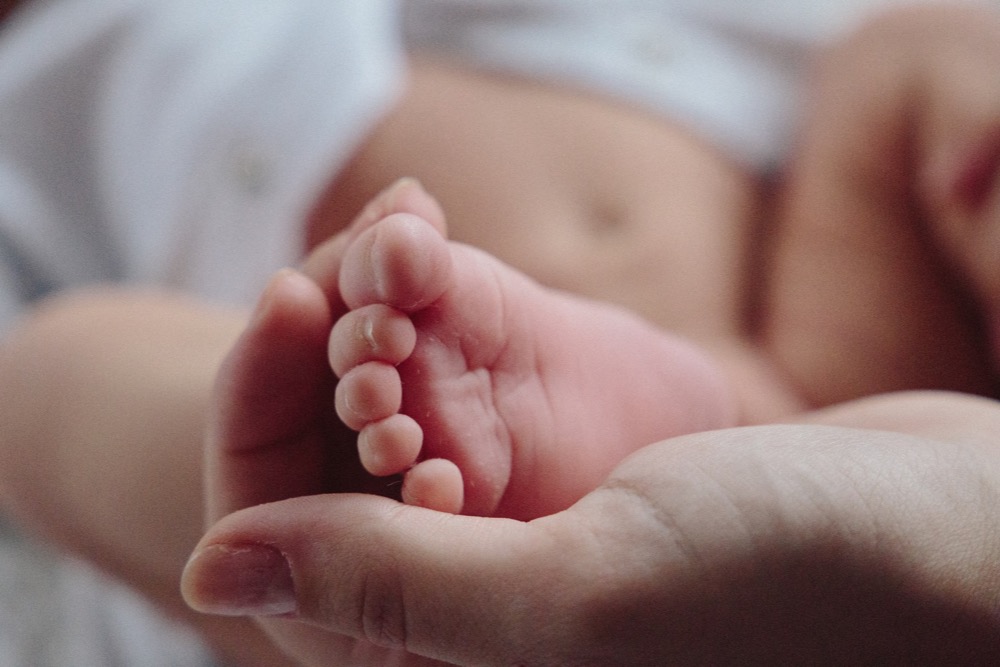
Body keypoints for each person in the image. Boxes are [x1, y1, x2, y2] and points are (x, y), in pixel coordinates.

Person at [0, 0, 997, 665]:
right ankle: (361, 525)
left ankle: (341, 513)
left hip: (835, 409)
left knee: (45, 377)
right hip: (837, 378)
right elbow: (892, 45)